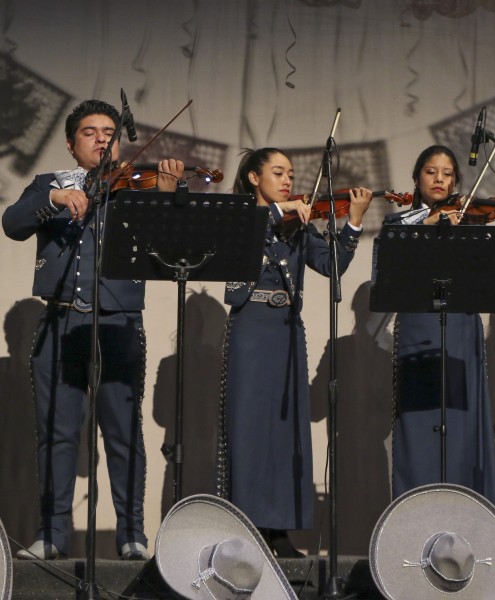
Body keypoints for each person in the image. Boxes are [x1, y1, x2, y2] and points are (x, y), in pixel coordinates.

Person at [2, 99, 185, 560]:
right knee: (58, 433)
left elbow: (172, 250)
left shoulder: (135, 189)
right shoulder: (49, 185)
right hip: (61, 323)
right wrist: (55, 199)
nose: (102, 138)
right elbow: (13, 224)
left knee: (123, 433)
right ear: (71, 143)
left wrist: (166, 196)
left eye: (109, 131)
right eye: (90, 131)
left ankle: (132, 535)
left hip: (119, 325)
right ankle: (53, 536)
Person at [218, 147, 373, 558]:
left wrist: (353, 219)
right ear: (254, 177)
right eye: (278, 172)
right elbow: (237, 260)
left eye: (290, 173)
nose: (288, 180)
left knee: (286, 430)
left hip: (287, 328)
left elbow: (330, 264)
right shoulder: (241, 216)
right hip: (251, 327)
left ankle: (279, 528)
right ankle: (248, 523)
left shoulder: (299, 222)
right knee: (250, 427)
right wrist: (276, 214)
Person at [386, 144, 495, 516]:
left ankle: (469, 520)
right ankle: (415, 518)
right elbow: (391, 256)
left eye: (447, 174)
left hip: (462, 330)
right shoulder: (400, 224)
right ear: (416, 177)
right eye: (431, 172)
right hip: (418, 331)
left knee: (463, 429)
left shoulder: (470, 225)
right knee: (418, 427)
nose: (439, 179)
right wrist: (428, 225)